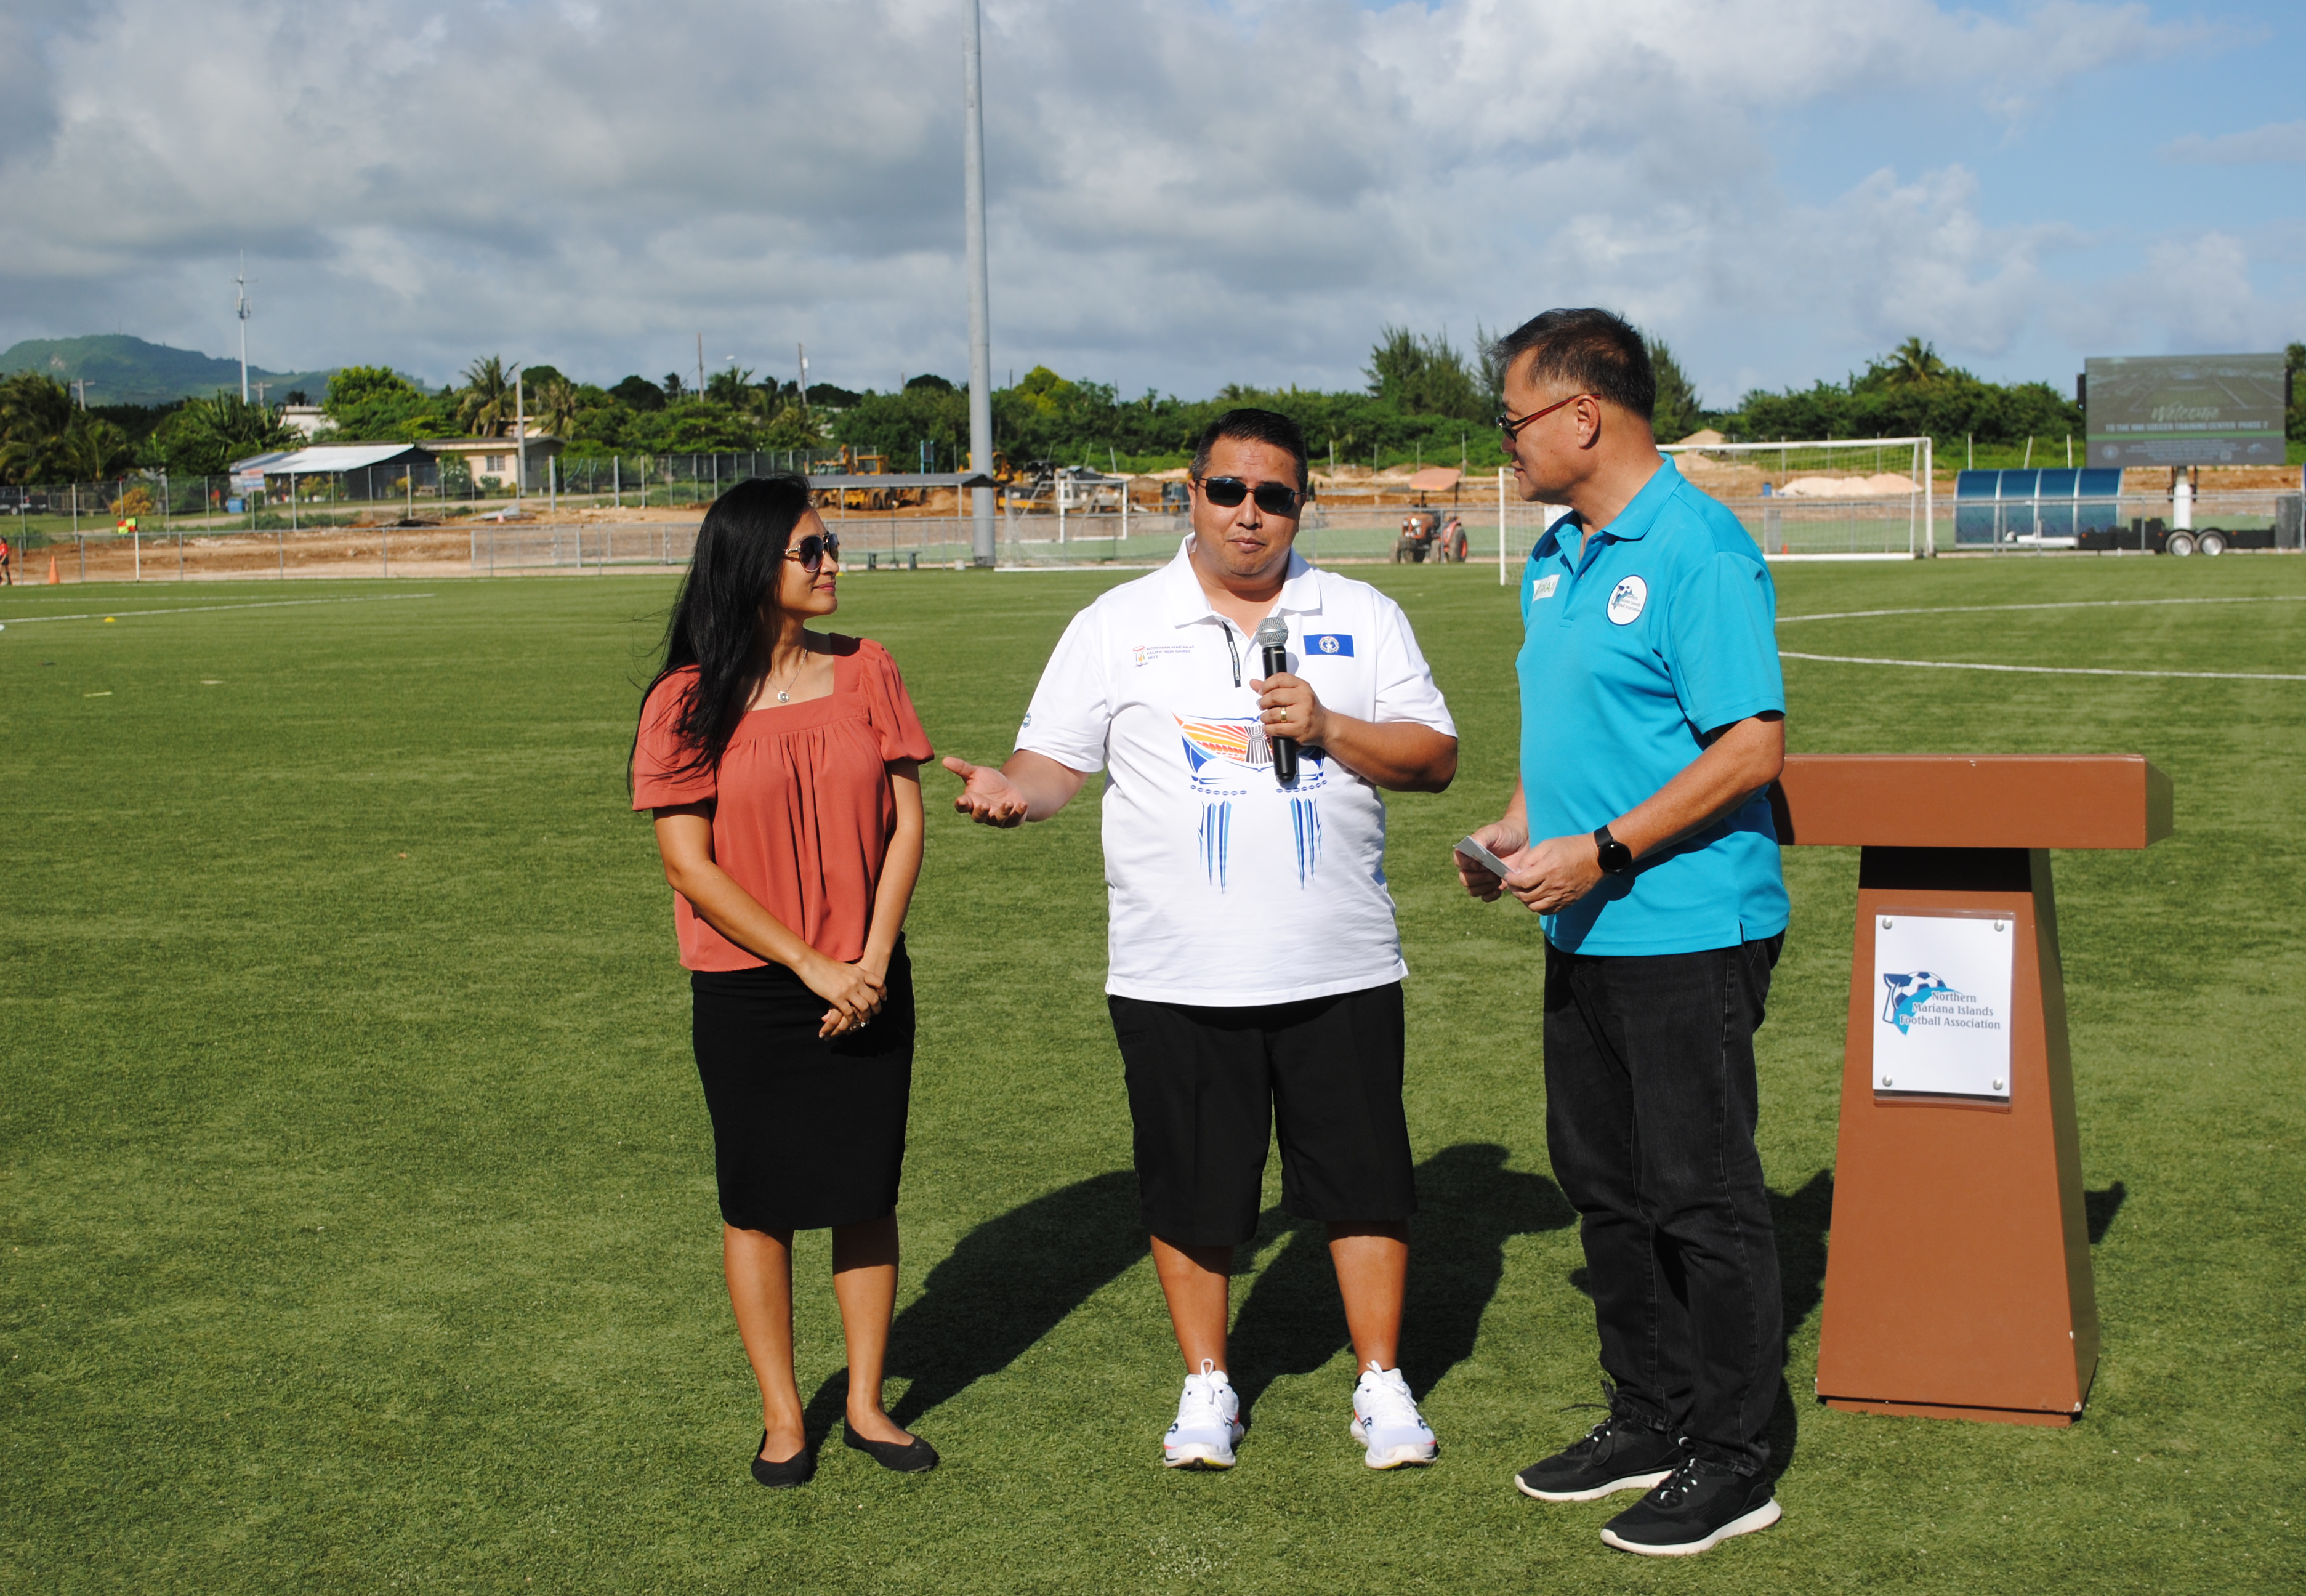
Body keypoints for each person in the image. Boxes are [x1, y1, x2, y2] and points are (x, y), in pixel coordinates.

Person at [943, 408, 1460, 1473]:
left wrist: (1326, 728)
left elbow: (1433, 757)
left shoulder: (1359, 612)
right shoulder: (1115, 622)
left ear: (1300, 505)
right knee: (1193, 1186)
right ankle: (1209, 1385)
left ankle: (1378, 1381)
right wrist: (1014, 795)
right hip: (1174, 967)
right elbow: (1052, 762)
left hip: (1341, 961)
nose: (1249, 514)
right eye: (1228, 490)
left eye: (1273, 495)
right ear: (1191, 493)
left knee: (1364, 1182)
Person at [1457, 308, 1790, 1557]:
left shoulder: (1699, 547)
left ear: (1581, 414)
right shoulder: (1555, 557)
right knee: (1605, 1191)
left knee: (1700, 1198)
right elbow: (1573, 745)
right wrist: (1511, 832)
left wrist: (1603, 851)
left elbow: (1750, 745)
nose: (1506, 445)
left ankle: (1733, 1455)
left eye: (1512, 419)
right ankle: (1646, 1417)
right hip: (1580, 930)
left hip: (1687, 926)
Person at [629, 476, 937, 1488]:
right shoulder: (683, 701)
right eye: (811, 549)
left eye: (831, 545)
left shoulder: (869, 671)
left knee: (864, 1192)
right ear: (754, 565)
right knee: (757, 1203)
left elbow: (906, 823)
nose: (832, 563)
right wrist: (812, 965)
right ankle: (780, 1417)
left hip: (869, 974)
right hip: (750, 987)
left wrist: (874, 958)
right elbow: (690, 866)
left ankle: (862, 1403)